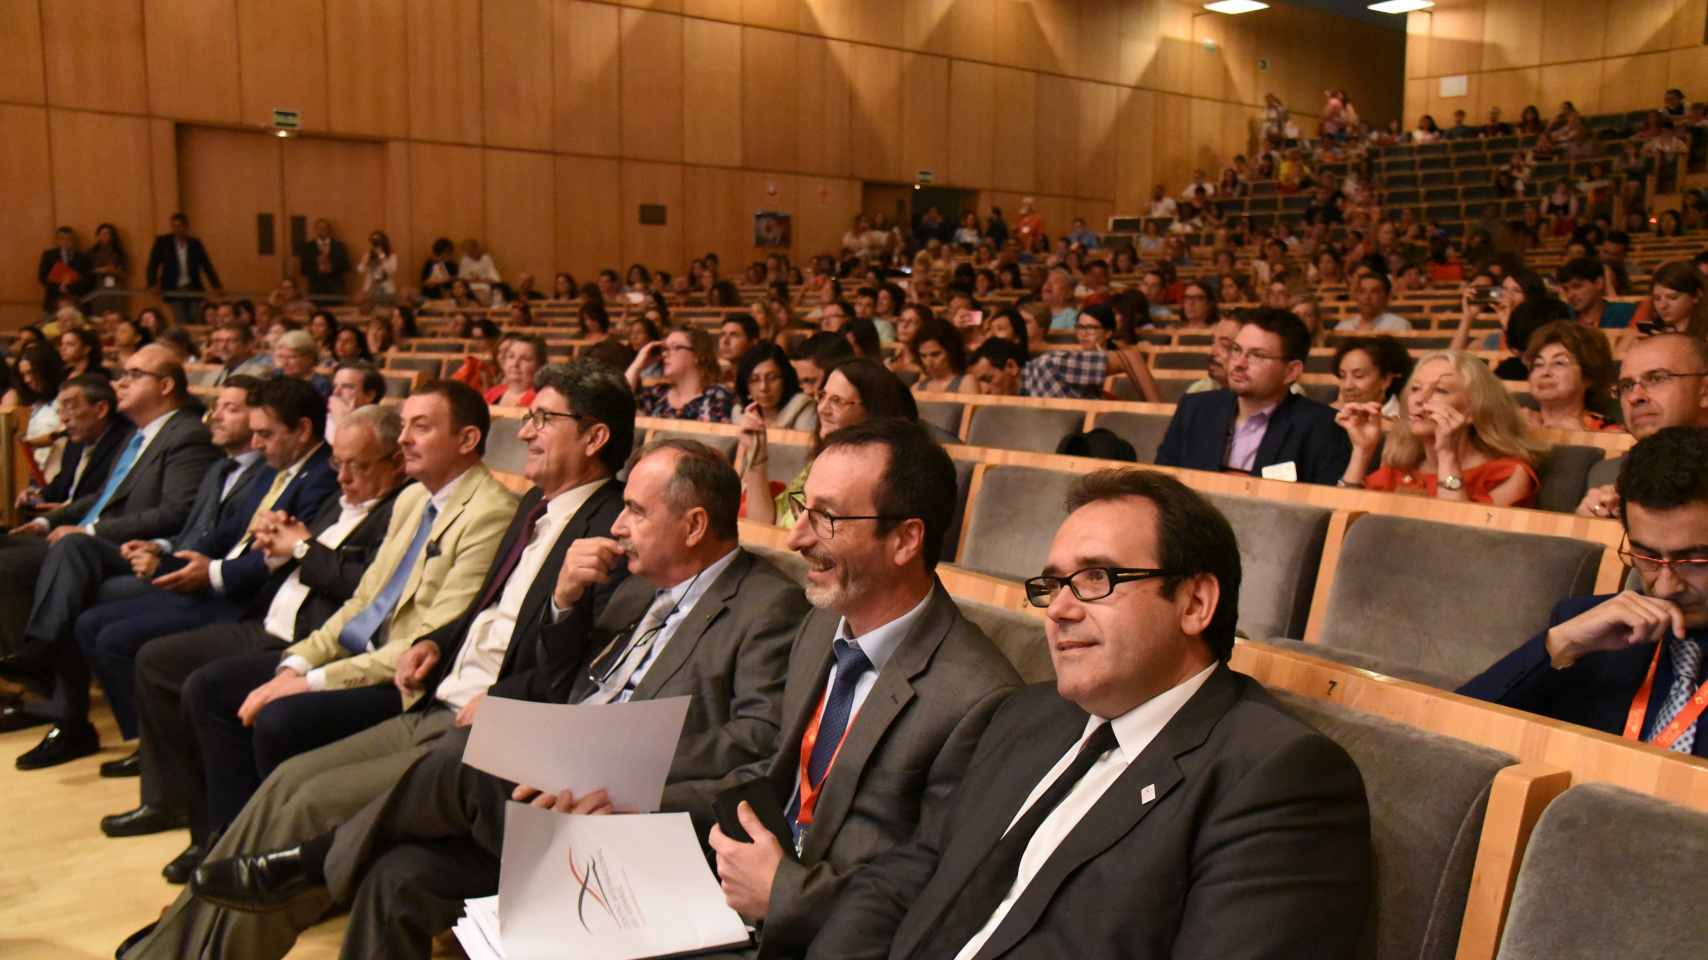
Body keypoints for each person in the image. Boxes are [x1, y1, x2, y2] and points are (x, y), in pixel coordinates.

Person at [179, 438, 809, 960]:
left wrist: (608, 771)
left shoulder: (767, 604)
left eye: (636, 511)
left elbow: (754, 740)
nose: (617, 526)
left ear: (694, 524)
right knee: (394, 876)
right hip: (541, 796)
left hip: (626, 816)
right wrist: (564, 602)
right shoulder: (630, 588)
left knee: (467, 752)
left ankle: (315, 861)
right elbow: (557, 684)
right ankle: (327, 861)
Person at [118, 368, 636, 960]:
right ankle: (176, 941)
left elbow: (590, 663)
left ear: (594, 438)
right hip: (436, 693)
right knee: (288, 781)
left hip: (485, 728)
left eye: (544, 419)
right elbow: (482, 607)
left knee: (309, 803)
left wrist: (506, 699)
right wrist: (438, 641)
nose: (525, 433)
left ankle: (186, 953)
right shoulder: (532, 507)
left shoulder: (613, 527)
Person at [806, 468, 1373, 960]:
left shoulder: (1278, 776)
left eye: (1096, 579)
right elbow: (906, 877)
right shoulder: (1026, 714)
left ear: (1196, 603)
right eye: (1052, 584)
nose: (1058, 609)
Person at [119, 405, 407, 882]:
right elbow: (301, 548)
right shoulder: (339, 499)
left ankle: (227, 841)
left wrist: (300, 548)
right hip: (270, 619)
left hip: (312, 639)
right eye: (338, 463)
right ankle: (185, 813)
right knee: (157, 658)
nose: (344, 477)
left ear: (395, 463)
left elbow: (368, 593)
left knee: (206, 688)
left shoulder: (403, 508)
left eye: (358, 465)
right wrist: (273, 542)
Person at [32, 379, 341, 770]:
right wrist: (174, 557)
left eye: (266, 434)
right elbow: (234, 530)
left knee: (118, 639)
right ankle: (151, 742)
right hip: (221, 581)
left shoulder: (322, 476)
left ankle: (166, 754)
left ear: (302, 429)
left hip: (249, 601)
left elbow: (279, 561)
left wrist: (210, 573)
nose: (258, 444)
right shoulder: (278, 467)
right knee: (91, 623)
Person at [0, 348, 226, 765]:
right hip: (91, 542)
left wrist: (88, 530)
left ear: (165, 385)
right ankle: (37, 669)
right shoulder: (136, 434)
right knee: (8, 552)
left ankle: (50, 682)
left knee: (70, 561)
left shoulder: (186, 434)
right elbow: (101, 496)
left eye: (133, 374)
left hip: (132, 549)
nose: (121, 381)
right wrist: (50, 522)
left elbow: (176, 512)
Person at [1460, 426, 1708, 758]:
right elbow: (1450, 743)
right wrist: (1559, 647)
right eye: (1646, 556)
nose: (1664, 586)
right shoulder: (1587, 629)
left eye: (1693, 561)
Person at [1156, 310, 1351, 484]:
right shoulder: (1194, 409)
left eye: (1256, 355)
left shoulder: (1322, 427)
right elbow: (1162, 486)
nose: (1239, 363)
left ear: (1291, 371)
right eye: (1236, 350)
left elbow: (1327, 507)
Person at [1338, 349, 1545, 507]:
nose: (1419, 399)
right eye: (1416, 389)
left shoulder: (1508, 474)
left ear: (1474, 409)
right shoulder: (1399, 469)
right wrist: (1361, 452)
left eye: (1439, 390)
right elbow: (1342, 524)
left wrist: (1447, 454)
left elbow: (1453, 541)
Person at [1577, 334, 1708, 517]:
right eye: (1627, 386)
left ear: (1705, 391)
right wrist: (1593, 525)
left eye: (1657, 378)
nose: (1634, 397)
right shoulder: (1609, 475)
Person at [965, 336, 1160, 401]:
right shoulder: (1006, 405)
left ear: (1011, 367)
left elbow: (1130, 357)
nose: (984, 390)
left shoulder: (1051, 366)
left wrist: (1158, 412)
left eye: (988, 379)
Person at [1520, 321, 1620, 431]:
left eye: (1559, 363)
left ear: (1588, 376)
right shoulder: (1515, 423)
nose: (1545, 372)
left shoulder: (1610, 432)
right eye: (1538, 364)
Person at [627, 325, 735, 422]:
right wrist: (636, 366)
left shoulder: (716, 396)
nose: (665, 354)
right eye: (665, 349)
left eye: (675, 347)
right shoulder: (657, 394)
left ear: (697, 355)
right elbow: (617, 407)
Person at [146, 213, 223, 326]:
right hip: (173, 288)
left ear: (186, 227)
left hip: (193, 287)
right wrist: (152, 283)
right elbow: (153, 263)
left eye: (179, 226)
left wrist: (216, 286)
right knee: (181, 320)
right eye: (174, 226)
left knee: (196, 318)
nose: (176, 229)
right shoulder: (163, 242)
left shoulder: (195, 243)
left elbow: (206, 265)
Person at [735, 342, 817, 432]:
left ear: (785, 378)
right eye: (755, 380)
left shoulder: (802, 405)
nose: (764, 388)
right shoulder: (739, 413)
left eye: (772, 378)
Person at [1333, 335, 1413, 418]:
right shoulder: (1334, 415)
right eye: (1342, 376)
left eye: (1358, 376)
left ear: (1386, 380)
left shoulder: (1405, 421)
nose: (1347, 386)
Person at [1556, 257, 1637, 329]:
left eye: (1577, 286)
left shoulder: (1622, 312)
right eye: (1566, 289)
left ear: (1599, 283)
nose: (1570, 295)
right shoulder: (1563, 316)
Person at [38, 226, 94, 310]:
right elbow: (43, 276)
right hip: (54, 298)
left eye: (69, 239)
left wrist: (70, 288)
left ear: (73, 240)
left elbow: (86, 279)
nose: (66, 241)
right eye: (62, 239)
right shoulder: (49, 255)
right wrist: (58, 287)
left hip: (75, 298)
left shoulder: (83, 257)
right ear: (57, 241)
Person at [1335, 274, 1412, 333]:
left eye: (1374, 292)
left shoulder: (1399, 326)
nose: (1367, 297)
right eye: (1362, 292)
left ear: (1387, 297)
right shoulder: (1343, 328)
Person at [483, 335, 545, 407]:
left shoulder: (542, 398)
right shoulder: (491, 393)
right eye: (511, 356)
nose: (515, 364)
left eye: (524, 359)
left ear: (539, 366)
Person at [911, 318, 970, 394]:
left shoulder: (966, 382)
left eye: (935, 355)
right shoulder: (916, 388)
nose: (929, 363)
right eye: (923, 356)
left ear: (951, 351)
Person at [298, 219, 351, 299]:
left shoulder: (339, 246)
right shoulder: (307, 247)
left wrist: (332, 268)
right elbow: (303, 269)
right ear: (315, 230)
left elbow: (346, 266)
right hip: (316, 289)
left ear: (329, 230)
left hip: (335, 289)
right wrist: (318, 269)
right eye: (318, 229)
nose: (321, 231)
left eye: (323, 229)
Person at [271, 330, 331, 398]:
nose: (284, 363)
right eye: (282, 357)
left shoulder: (320, 385)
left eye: (291, 357)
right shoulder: (277, 375)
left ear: (309, 358)